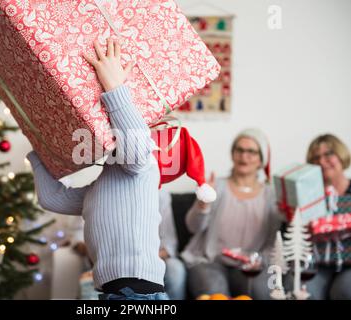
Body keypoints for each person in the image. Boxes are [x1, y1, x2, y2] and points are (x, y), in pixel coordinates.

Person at [27, 38, 168, 300]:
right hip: (117, 291)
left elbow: (135, 149)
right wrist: (38, 139)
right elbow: (52, 197)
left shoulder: (143, 165)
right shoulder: (101, 184)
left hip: (135, 292)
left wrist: (114, 87)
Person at [181, 128, 284, 299]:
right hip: (209, 260)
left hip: (250, 265)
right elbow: (193, 227)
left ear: (261, 159)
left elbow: (273, 240)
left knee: (260, 291)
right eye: (240, 150)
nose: (244, 156)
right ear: (233, 154)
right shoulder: (217, 186)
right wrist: (203, 202)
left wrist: (261, 261)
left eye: (251, 151)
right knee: (216, 292)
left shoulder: (272, 195)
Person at [304, 134, 351, 300]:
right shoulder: (306, 197)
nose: (322, 161)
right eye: (316, 158)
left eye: (328, 154)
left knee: (345, 291)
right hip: (318, 265)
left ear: (341, 155)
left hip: (349, 266)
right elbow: (289, 233)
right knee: (303, 291)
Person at [159, 189, 187, 300]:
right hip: (129, 261)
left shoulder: (160, 194)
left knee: (176, 268)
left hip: (159, 256)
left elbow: (169, 243)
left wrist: (153, 257)